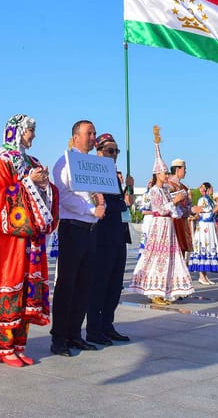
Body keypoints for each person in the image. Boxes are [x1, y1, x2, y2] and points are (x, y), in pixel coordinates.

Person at [0, 114, 58, 367]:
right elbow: (0, 198)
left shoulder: (31, 160)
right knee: (10, 284)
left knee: (28, 288)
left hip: (32, 241)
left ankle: (19, 345)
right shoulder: (4, 161)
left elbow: (46, 190)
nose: (33, 135)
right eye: (30, 131)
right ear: (17, 131)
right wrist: (30, 181)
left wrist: (45, 185)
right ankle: (5, 347)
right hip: (11, 240)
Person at [50, 120, 105, 355]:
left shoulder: (94, 164)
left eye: (94, 133)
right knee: (67, 284)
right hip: (73, 228)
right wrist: (91, 209)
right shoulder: (64, 163)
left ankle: (75, 334)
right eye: (88, 133)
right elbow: (64, 197)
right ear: (75, 137)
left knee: (85, 285)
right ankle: (59, 337)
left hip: (91, 230)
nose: (93, 137)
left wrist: (100, 203)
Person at [129, 146, 194, 305]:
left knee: (168, 258)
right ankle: (154, 292)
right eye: (164, 173)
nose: (166, 175)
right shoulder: (154, 191)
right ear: (157, 174)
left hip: (168, 227)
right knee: (157, 258)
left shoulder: (165, 190)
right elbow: (160, 209)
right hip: (159, 226)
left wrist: (178, 204)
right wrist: (175, 201)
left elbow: (174, 211)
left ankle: (165, 290)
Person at [86, 133, 131, 345]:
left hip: (118, 234)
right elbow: (98, 204)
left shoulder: (114, 174)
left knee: (115, 284)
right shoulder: (94, 173)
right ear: (99, 151)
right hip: (103, 235)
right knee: (100, 283)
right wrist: (122, 204)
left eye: (116, 151)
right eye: (110, 151)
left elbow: (120, 203)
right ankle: (94, 328)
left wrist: (127, 192)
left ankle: (107, 324)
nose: (114, 155)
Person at [187, 182, 218, 285]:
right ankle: (201, 276)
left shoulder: (209, 200)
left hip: (210, 226)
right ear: (207, 189)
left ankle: (205, 275)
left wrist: (217, 210)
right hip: (204, 227)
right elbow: (205, 215)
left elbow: (211, 213)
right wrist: (217, 208)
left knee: (208, 249)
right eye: (211, 188)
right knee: (204, 247)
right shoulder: (202, 200)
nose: (212, 190)